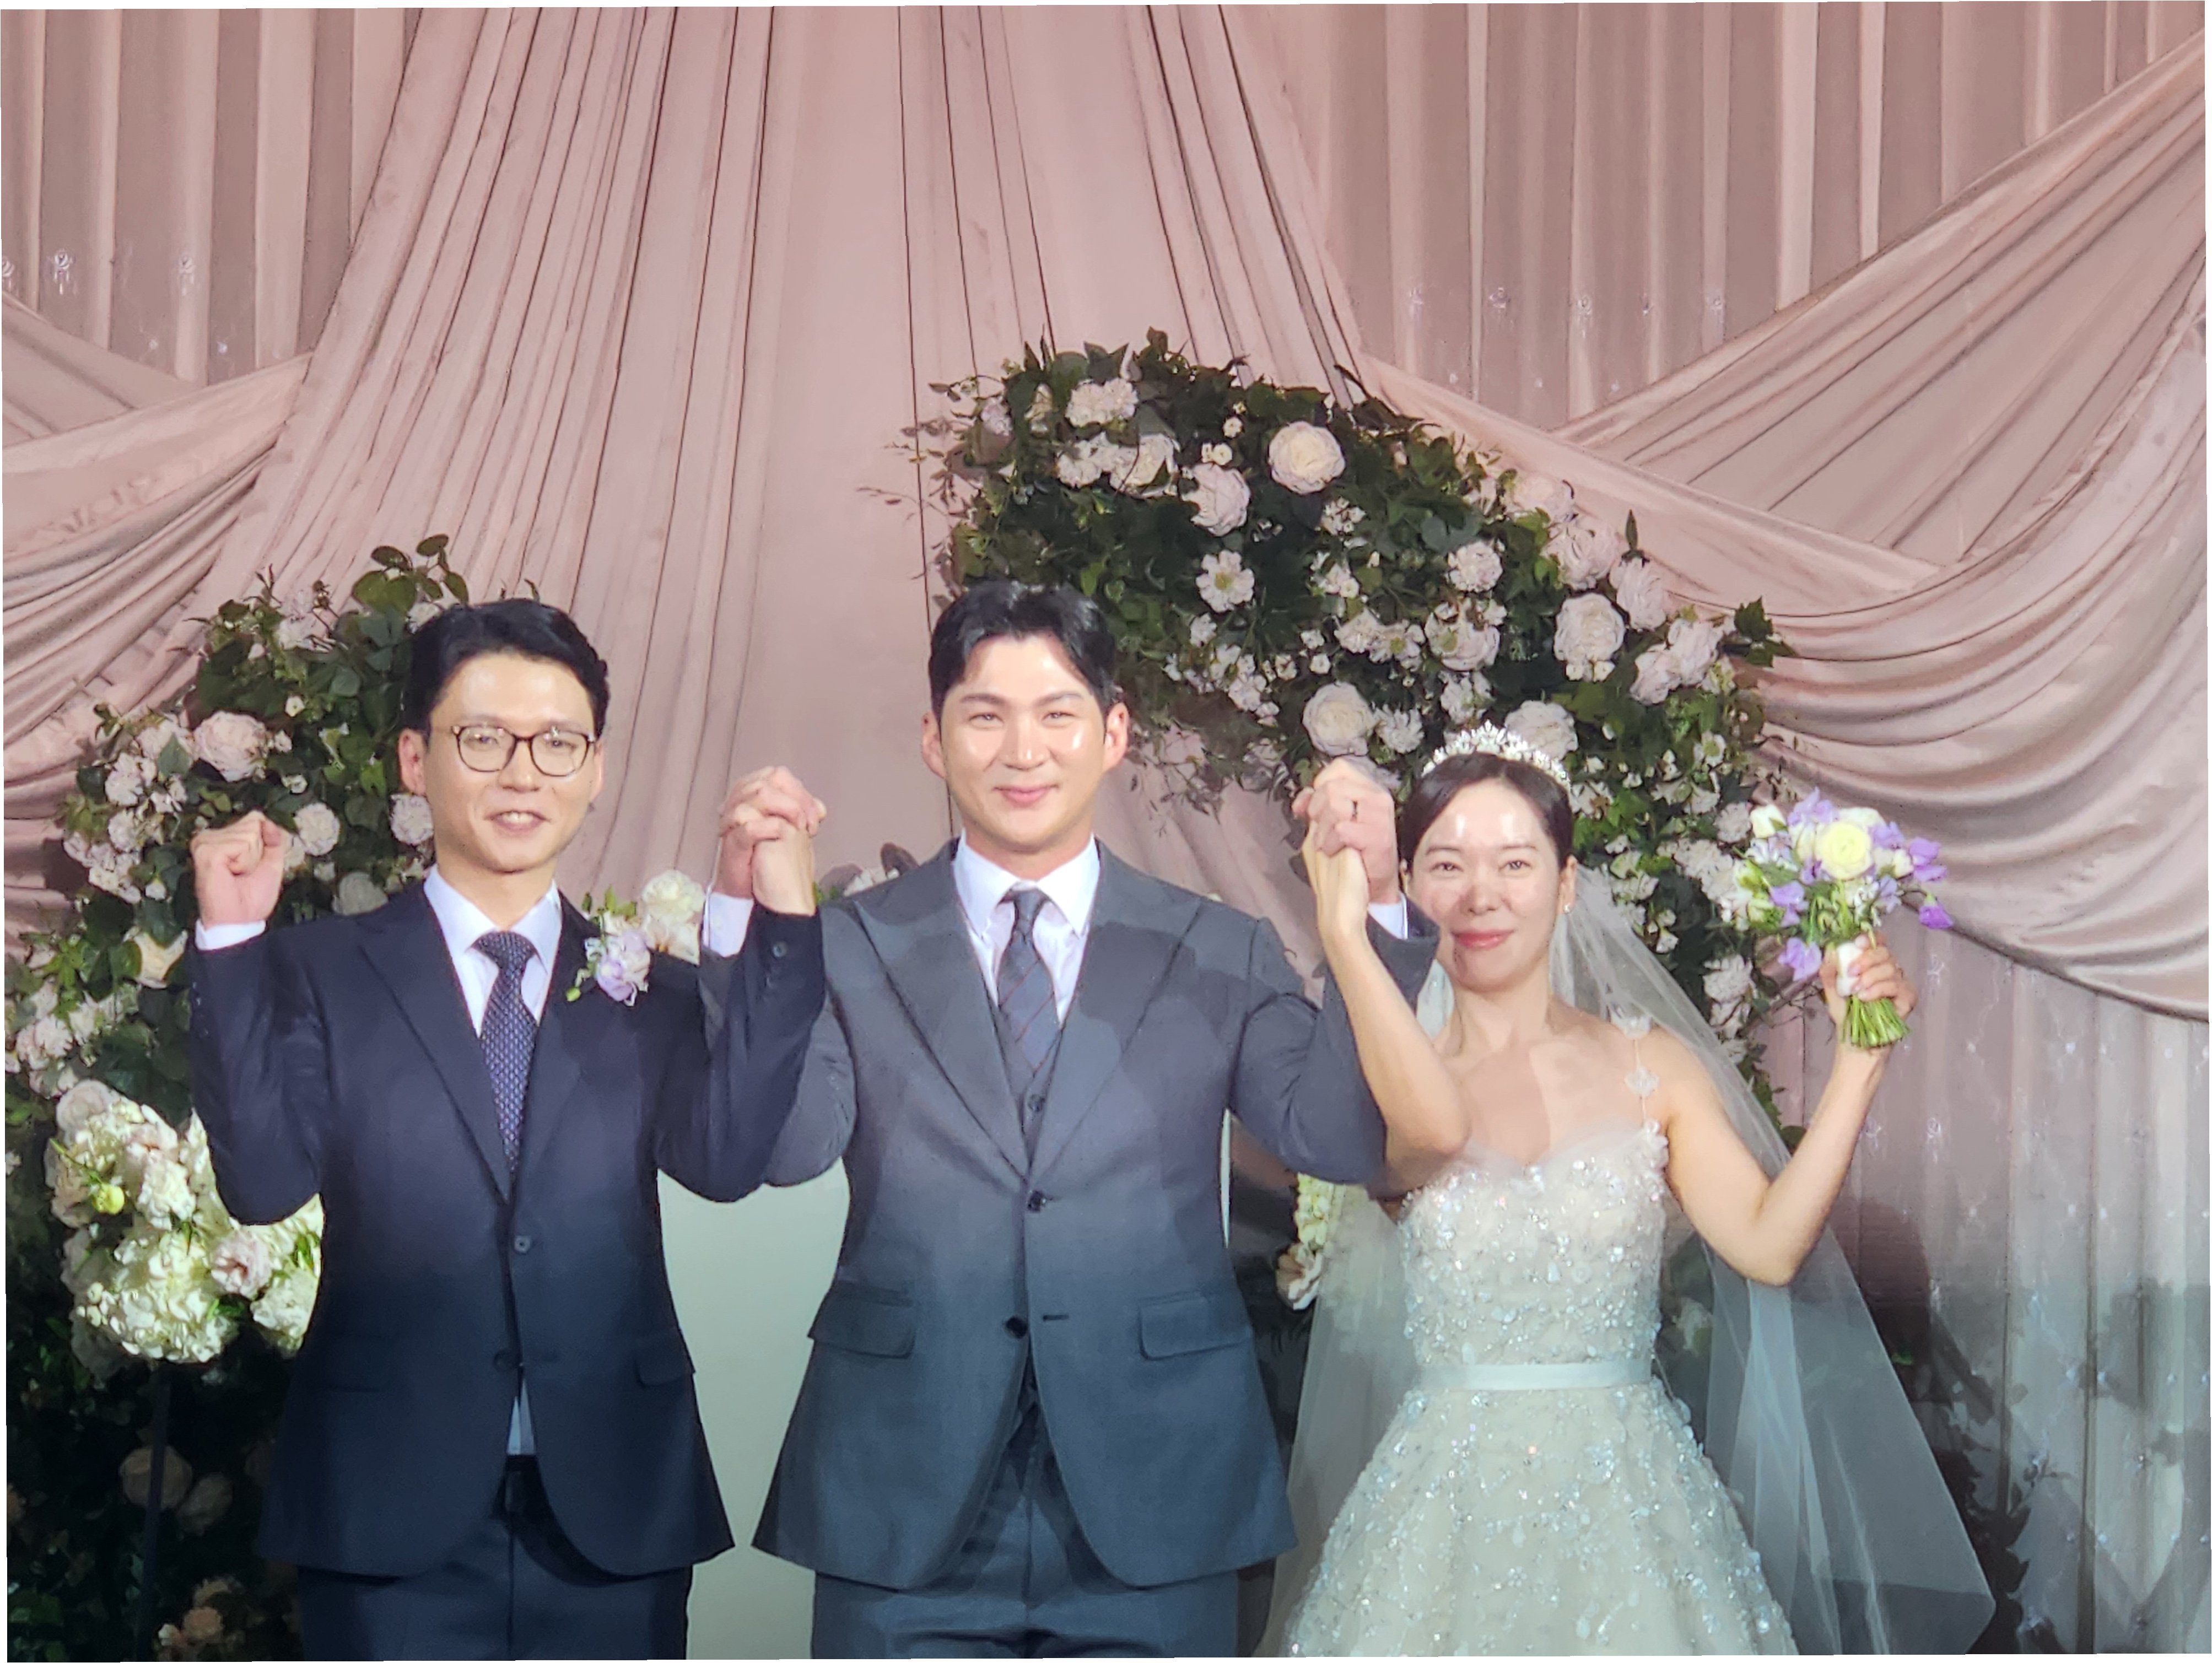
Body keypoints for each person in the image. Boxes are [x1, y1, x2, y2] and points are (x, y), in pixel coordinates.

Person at [707, 579, 1436, 1657]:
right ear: (933, 738)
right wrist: (753, 930)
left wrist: (1371, 908)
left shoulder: (1215, 946)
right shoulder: (852, 944)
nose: (1023, 750)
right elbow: (782, 1147)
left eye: (1056, 713)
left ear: (1114, 733)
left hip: (1155, 1490)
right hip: (904, 1494)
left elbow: (1335, 1135)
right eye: (985, 715)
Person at [185, 599, 828, 1660]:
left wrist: (779, 925)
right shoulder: (322, 972)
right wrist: (231, 938)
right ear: (415, 758)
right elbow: (259, 1183)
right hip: (387, 1515)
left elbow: (723, 1162)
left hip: (612, 1508)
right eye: (483, 738)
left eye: (557, 742)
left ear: (596, 769)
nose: (522, 772)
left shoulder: (642, 985)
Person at [1270, 724, 1994, 1655]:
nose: (1480, 895)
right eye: (1446, 865)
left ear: (1567, 884)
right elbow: (1428, 1136)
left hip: (1628, 1502)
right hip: (1445, 1508)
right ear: (1406, 883)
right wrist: (1347, 931)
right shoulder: (1390, 1082)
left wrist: (1860, 1064)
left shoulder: (1652, 1066)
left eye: (1515, 863)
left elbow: (1768, 1244)